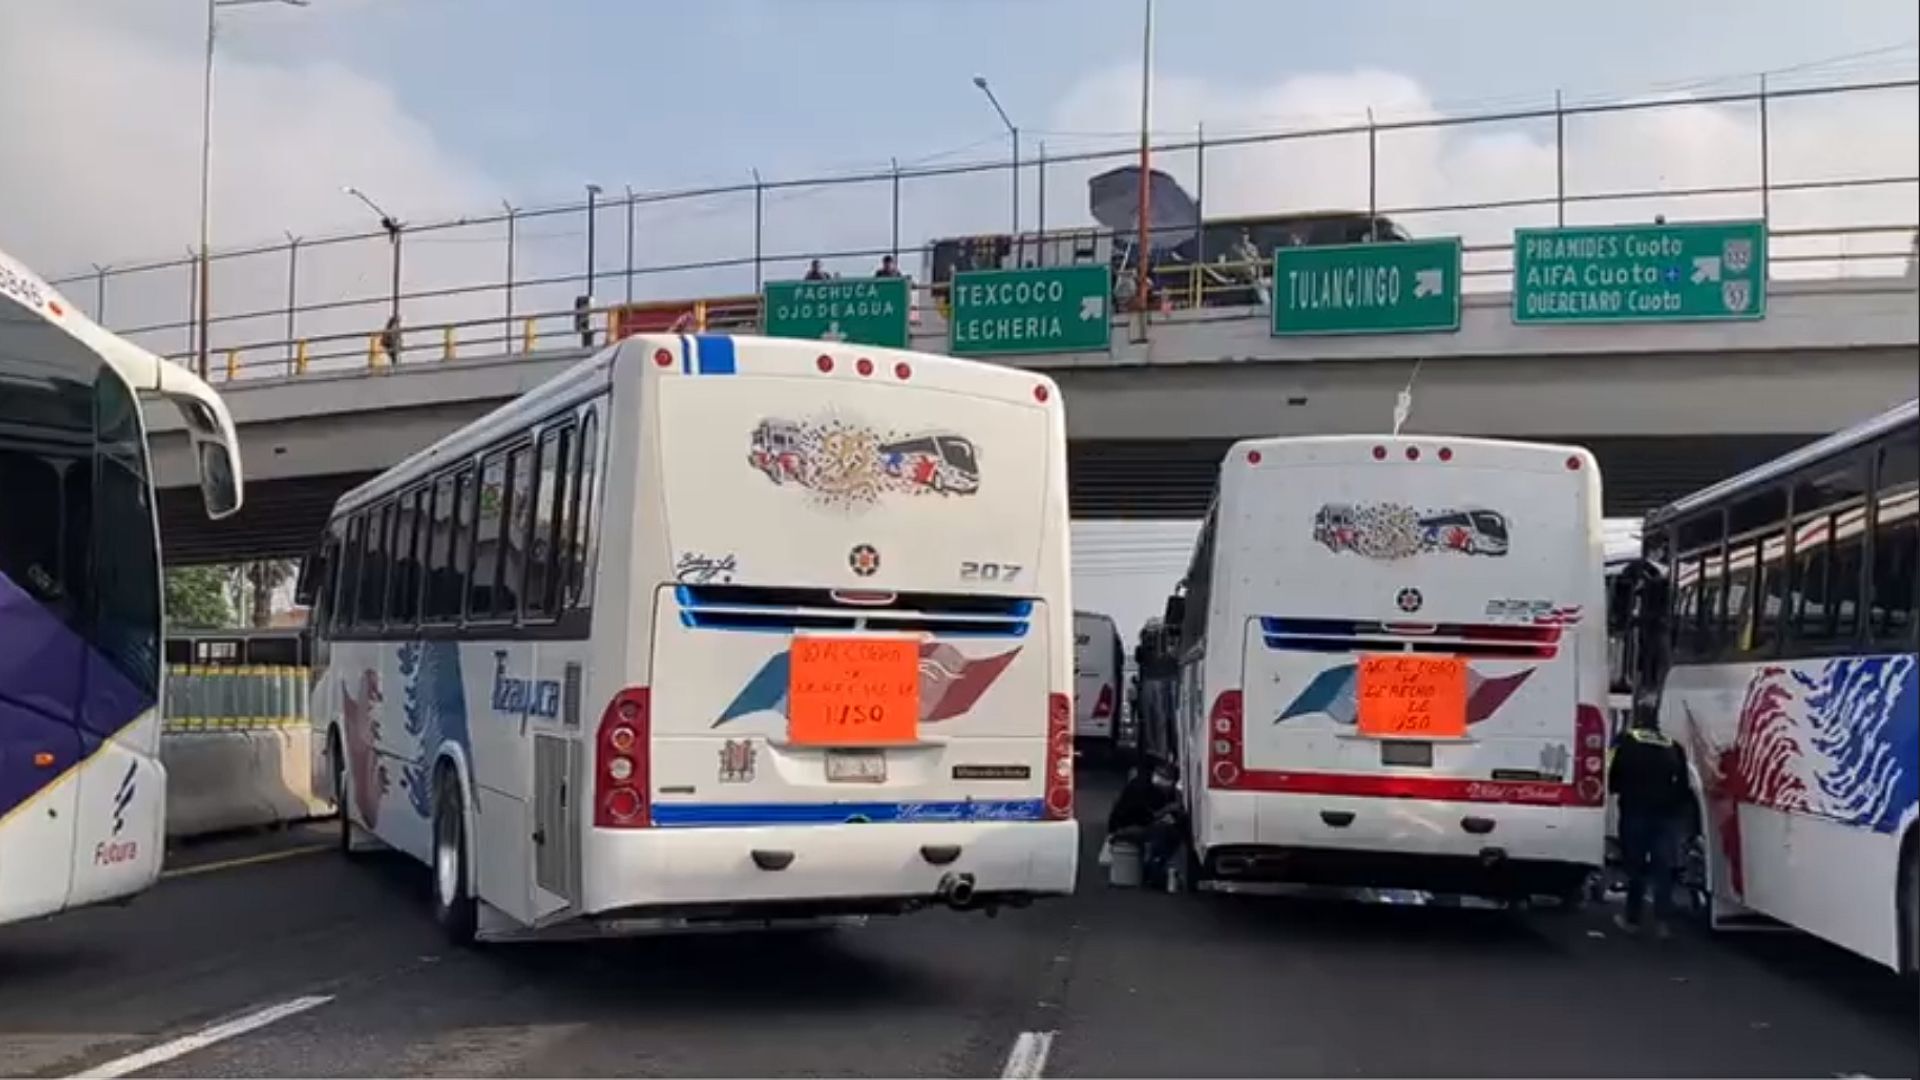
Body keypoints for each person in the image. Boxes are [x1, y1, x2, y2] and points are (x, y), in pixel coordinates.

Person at [1608, 714, 1691, 937]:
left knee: (1635, 867)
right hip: (1667, 814)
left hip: (1636, 810)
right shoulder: (1672, 744)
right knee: (1663, 867)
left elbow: (1612, 776)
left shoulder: (1626, 740)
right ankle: (1662, 921)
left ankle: (1632, 919)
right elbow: (1684, 784)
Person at [1106, 761, 1183, 888]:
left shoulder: (1150, 786)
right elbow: (1143, 817)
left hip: (1130, 824)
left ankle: (1155, 869)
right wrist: (1166, 811)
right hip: (1124, 827)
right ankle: (1152, 871)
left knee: (1170, 833)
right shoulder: (1141, 788)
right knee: (1161, 834)